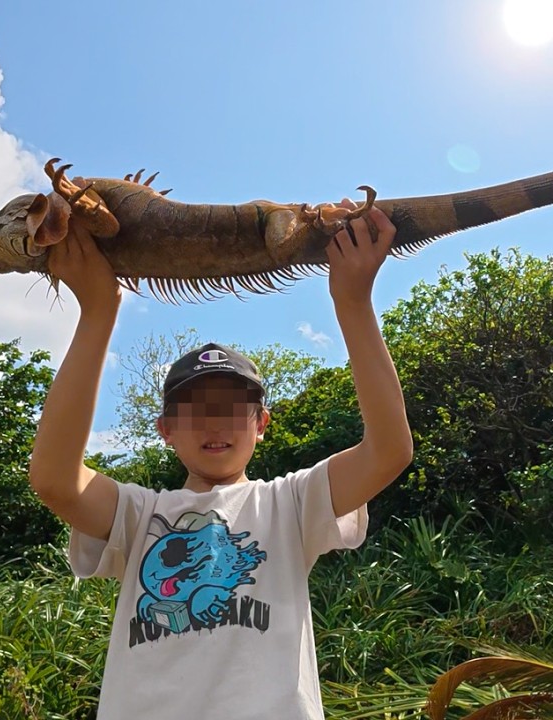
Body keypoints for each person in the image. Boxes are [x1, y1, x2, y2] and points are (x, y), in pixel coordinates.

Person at [29, 198, 414, 719]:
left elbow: (389, 449)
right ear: (165, 430)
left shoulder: (290, 505)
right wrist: (98, 310)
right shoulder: (139, 516)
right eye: (193, 411)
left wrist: (352, 301)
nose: (214, 425)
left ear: (261, 424)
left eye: (233, 410)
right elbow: (54, 479)